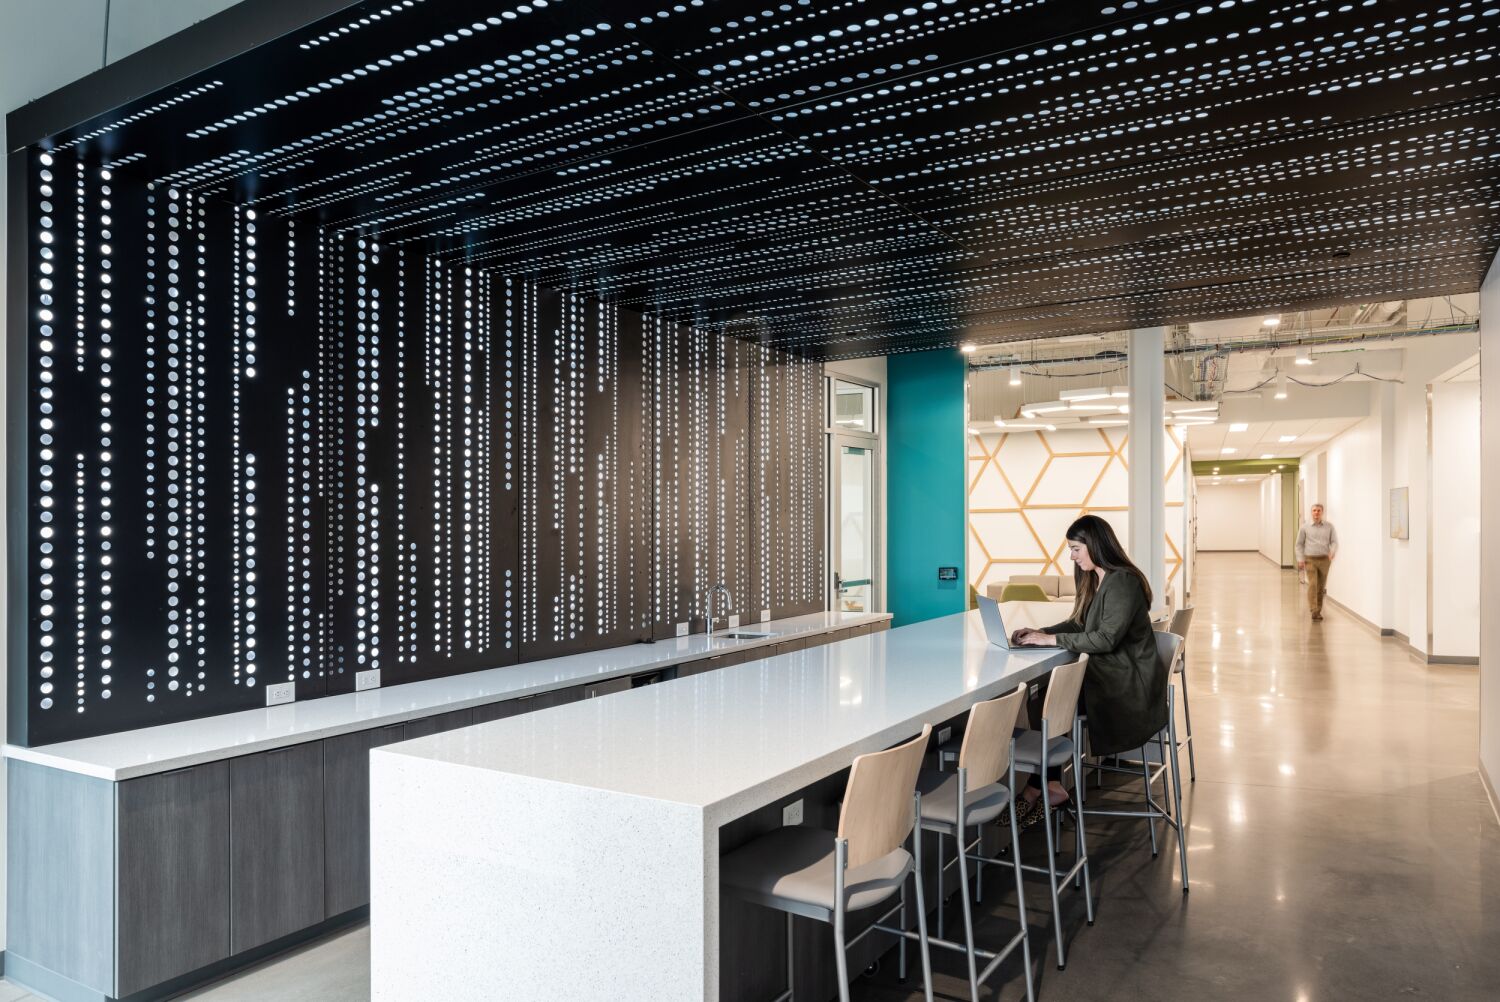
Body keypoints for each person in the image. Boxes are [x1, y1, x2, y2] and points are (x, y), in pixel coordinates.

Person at [1008, 515, 1167, 827]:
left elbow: (1106, 638)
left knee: (1049, 702)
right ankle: (1048, 784)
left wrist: (1050, 640)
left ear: (1095, 545)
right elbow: (1079, 622)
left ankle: (1040, 785)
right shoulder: (1099, 578)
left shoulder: (1122, 581)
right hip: (1114, 675)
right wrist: (1039, 632)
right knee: (1049, 702)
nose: (1072, 556)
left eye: (1076, 548)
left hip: (1127, 686)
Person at [1295, 503, 1338, 622]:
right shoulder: (1304, 527)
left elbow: (1334, 541)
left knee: (1321, 586)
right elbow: (1299, 544)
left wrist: (1332, 551)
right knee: (1313, 584)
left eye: (1319, 511)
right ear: (1311, 512)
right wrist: (1300, 559)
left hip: (1324, 559)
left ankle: (1318, 611)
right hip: (1310, 559)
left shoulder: (1329, 527)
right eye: (1314, 510)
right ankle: (1313, 609)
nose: (1316, 513)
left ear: (1322, 512)